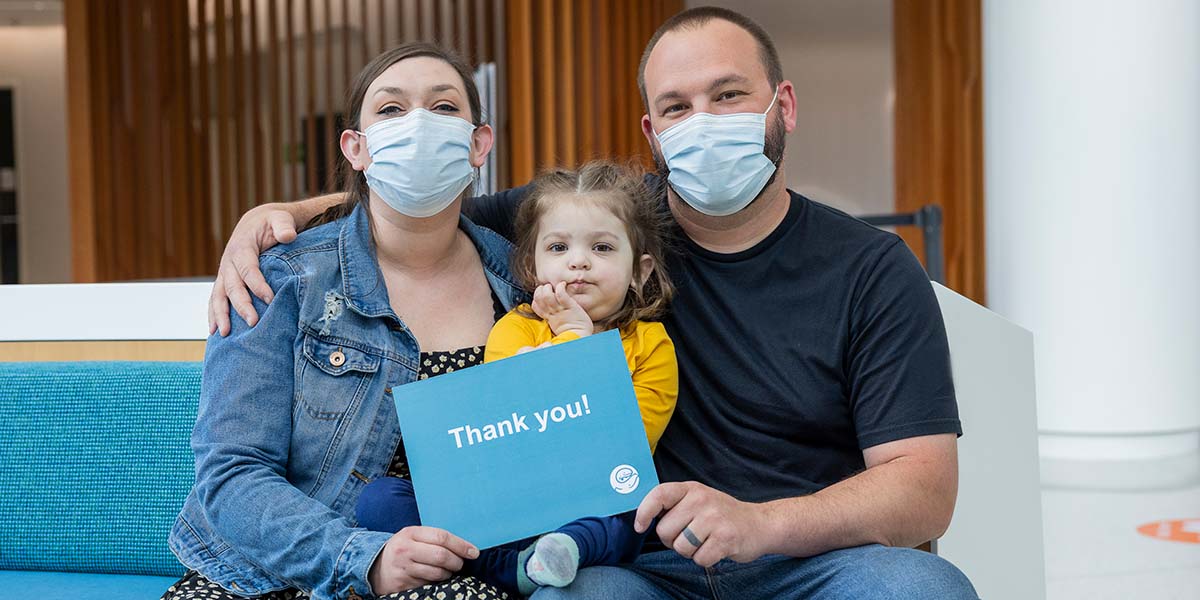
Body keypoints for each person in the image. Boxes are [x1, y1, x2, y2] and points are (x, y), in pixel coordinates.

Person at [208, 7, 980, 599]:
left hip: (806, 560)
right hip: (635, 558)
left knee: (923, 588)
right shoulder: (606, 223)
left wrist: (762, 522)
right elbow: (423, 206)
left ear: (783, 104)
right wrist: (277, 217)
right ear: (651, 131)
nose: (703, 122)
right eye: (677, 107)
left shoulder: (872, 266)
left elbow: (924, 488)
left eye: (729, 95)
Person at [163, 42, 530, 600]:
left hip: (442, 576)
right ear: (356, 148)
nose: (419, 125)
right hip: (268, 574)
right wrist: (366, 558)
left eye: (444, 107)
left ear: (480, 143)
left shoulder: (523, 284)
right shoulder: (280, 280)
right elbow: (232, 475)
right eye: (390, 109)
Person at [355, 161, 679, 597]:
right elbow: (516, 431)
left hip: (594, 501)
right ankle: (511, 568)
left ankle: (557, 554)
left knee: (635, 508)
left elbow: (624, 442)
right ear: (532, 264)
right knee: (379, 499)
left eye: (602, 248)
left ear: (639, 271)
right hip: (509, 500)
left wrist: (576, 340)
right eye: (559, 248)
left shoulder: (652, 344)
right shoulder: (516, 327)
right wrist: (568, 342)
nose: (578, 262)